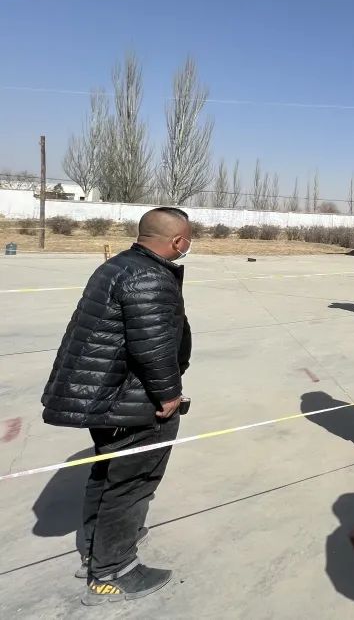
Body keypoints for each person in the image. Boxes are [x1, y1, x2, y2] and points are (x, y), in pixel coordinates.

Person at [40, 207, 193, 605]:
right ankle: (113, 570)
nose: (188, 245)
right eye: (188, 239)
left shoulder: (120, 265)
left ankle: (97, 548)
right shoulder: (150, 277)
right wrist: (169, 395)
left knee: (108, 473)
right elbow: (152, 346)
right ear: (177, 241)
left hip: (107, 397)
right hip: (131, 402)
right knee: (132, 484)